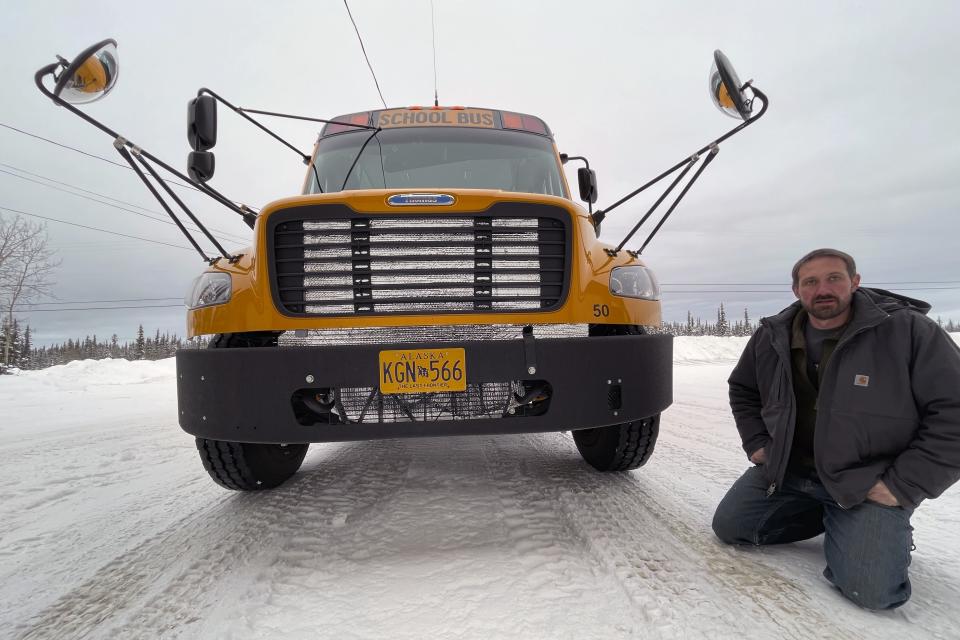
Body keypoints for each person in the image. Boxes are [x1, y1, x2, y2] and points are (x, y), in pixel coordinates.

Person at [712, 248, 960, 610]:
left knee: (872, 592)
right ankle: (836, 520)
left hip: (865, 481)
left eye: (834, 278)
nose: (822, 289)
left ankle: (868, 528)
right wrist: (756, 442)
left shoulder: (907, 330)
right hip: (790, 471)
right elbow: (743, 389)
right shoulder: (772, 335)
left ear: (855, 282)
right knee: (731, 527)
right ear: (796, 290)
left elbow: (953, 412)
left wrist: (901, 485)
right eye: (810, 282)